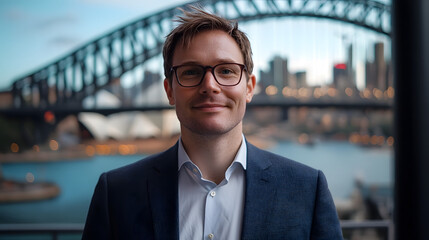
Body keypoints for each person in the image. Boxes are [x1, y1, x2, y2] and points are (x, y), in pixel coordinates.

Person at [82, 7, 343, 240]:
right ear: (169, 91)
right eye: (191, 72)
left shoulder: (308, 189)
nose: (210, 86)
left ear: (249, 88)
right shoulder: (115, 193)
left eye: (227, 71)